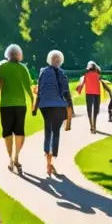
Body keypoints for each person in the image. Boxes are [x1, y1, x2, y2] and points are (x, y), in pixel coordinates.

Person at [0, 44, 33, 174]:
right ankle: (16, 157)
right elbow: (28, 87)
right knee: (20, 132)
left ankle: (10, 158)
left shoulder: (2, 67)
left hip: (6, 106)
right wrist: (33, 101)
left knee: (7, 133)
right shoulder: (23, 68)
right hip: (20, 105)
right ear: (19, 55)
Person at [33, 50, 73, 178]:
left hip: (45, 106)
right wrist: (70, 108)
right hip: (58, 106)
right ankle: (51, 160)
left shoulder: (43, 72)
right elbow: (66, 92)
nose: (57, 62)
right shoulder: (61, 73)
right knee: (55, 132)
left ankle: (48, 161)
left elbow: (39, 90)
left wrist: (35, 107)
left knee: (48, 130)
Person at [76, 61, 111, 133]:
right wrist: (108, 91)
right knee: (96, 110)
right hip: (96, 94)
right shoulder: (97, 74)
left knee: (89, 110)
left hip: (89, 94)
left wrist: (79, 90)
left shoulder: (87, 74)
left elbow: (82, 83)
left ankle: (91, 126)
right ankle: (93, 125)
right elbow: (102, 83)